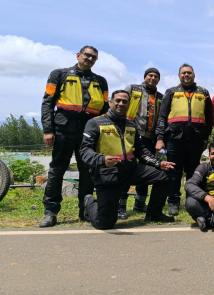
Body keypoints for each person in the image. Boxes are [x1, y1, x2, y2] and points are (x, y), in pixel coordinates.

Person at [80, 90, 175, 230]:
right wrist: (102, 159)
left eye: (125, 101)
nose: (121, 103)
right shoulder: (95, 123)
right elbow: (84, 150)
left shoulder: (132, 125)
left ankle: (154, 214)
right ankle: (89, 202)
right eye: (118, 100)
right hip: (108, 173)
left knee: (164, 175)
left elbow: (141, 150)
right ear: (110, 102)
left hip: (130, 170)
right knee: (105, 223)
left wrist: (158, 163)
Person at [40, 45, 109, 228]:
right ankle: (50, 212)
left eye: (93, 57)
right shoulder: (58, 74)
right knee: (57, 170)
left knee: (88, 171)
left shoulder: (101, 81)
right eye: (87, 55)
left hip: (89, 132)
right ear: (78, 55)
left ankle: (85, 211)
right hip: (63, 129)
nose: (89, 59)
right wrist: (48, 130)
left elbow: (105, 110)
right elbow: (47, 103)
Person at [155, 63, 212, 216]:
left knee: (193, 172)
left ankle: (192, 200)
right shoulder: (171, 92)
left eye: (189, 73)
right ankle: (173, 201)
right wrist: (160, 137)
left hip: (196, 139)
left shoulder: (203, 92)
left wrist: (205, 138)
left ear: (194, 75)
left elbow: (209, 118)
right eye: (183, 73)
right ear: (179, 75)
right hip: (174, 138)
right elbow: (162, 116)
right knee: (173, 171)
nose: (186, 75)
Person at [117, 67, 163, 219]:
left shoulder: (160, 96)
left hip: (149, 137)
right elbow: (121, 106)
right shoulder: (132, 88)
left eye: (156, 76)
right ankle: (121, 206)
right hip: (130, 134)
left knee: (146, 170)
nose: (153, 78)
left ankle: (140, 203)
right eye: (150, 75)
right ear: (145, 76)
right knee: (126, 168)